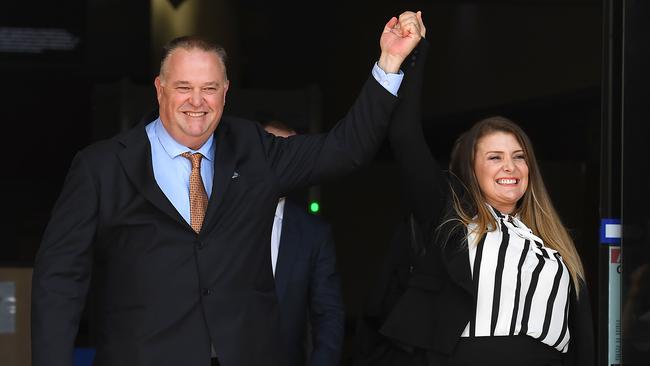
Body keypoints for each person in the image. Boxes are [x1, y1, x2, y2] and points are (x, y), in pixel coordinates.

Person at [30, 10, 424, 366]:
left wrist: (389, 63)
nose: (197, 102)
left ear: (226, 90)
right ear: (159, 88)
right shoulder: (101, 166)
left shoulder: (255, 149)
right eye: (183, 87)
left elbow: (346, 150)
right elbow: (60, 277)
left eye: (210, 88)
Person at [359, 20, 595, 366]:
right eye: (495, 157)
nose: (510, 168)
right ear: (472, 168)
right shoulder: (453, 218)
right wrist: (409, 56)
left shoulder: (554, 243)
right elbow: (405, 136)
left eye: (519, 157)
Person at [263, 121, 345, 366]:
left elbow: (328, 313)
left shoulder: (313, 233)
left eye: (290, 154)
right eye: (271, 151)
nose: (280, 162)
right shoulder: (218, 217)